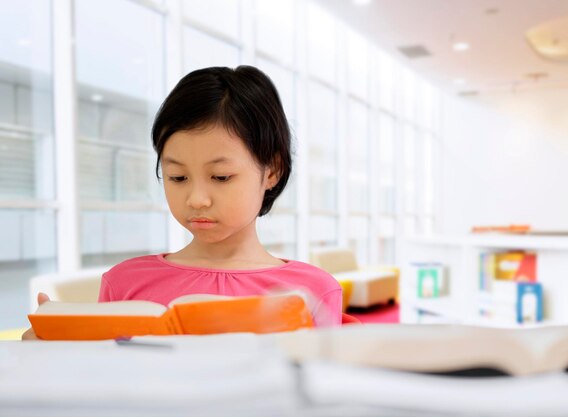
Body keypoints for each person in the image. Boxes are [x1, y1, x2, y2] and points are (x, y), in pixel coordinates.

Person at [23, 66, 342, 340]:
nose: (196, 200)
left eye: (220, 177)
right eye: (177, 177)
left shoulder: (314, 289)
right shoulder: (124, 282)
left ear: (271, 170)